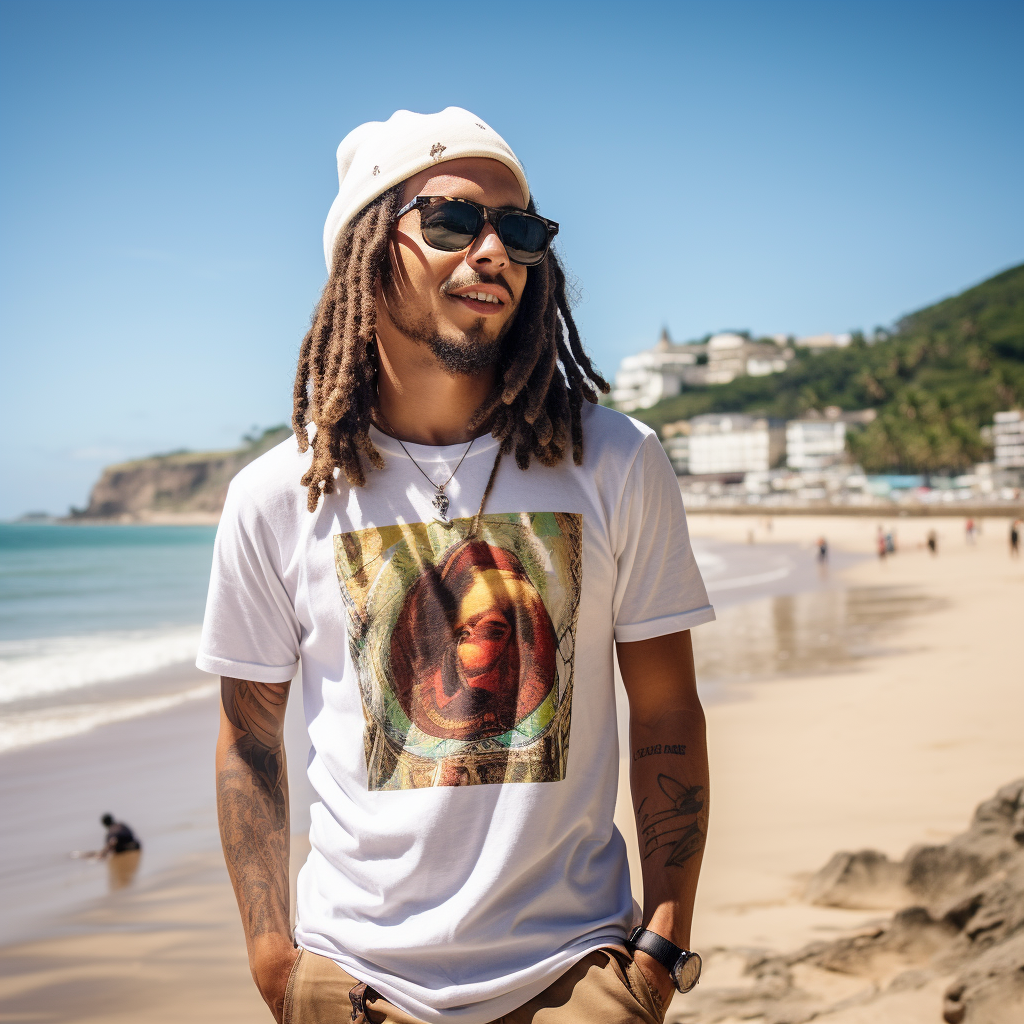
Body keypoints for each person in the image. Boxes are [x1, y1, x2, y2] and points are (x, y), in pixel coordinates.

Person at [199, 107, 715, 1024]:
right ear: (366, 247)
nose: (493, 253)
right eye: (450, 223)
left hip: (574, 977)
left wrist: (660, 951)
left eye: (520, 230)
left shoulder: (615, 459)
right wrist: (274, 958)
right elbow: (249, 737)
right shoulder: (279, 494)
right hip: (350, 982)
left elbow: (667, 706)